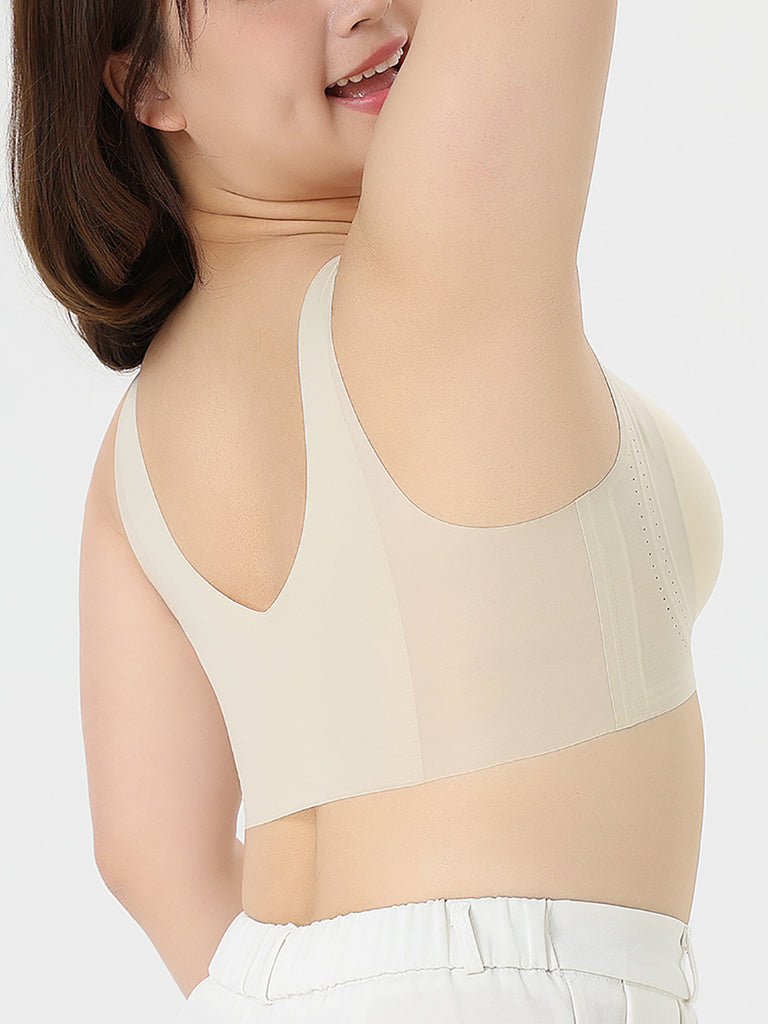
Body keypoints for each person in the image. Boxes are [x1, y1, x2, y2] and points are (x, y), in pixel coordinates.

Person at [10, 0, 724, 1021]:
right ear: (145, 81)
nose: (362, 6)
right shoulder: (436, 273)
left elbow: (148, 856)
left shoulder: (135, 454)